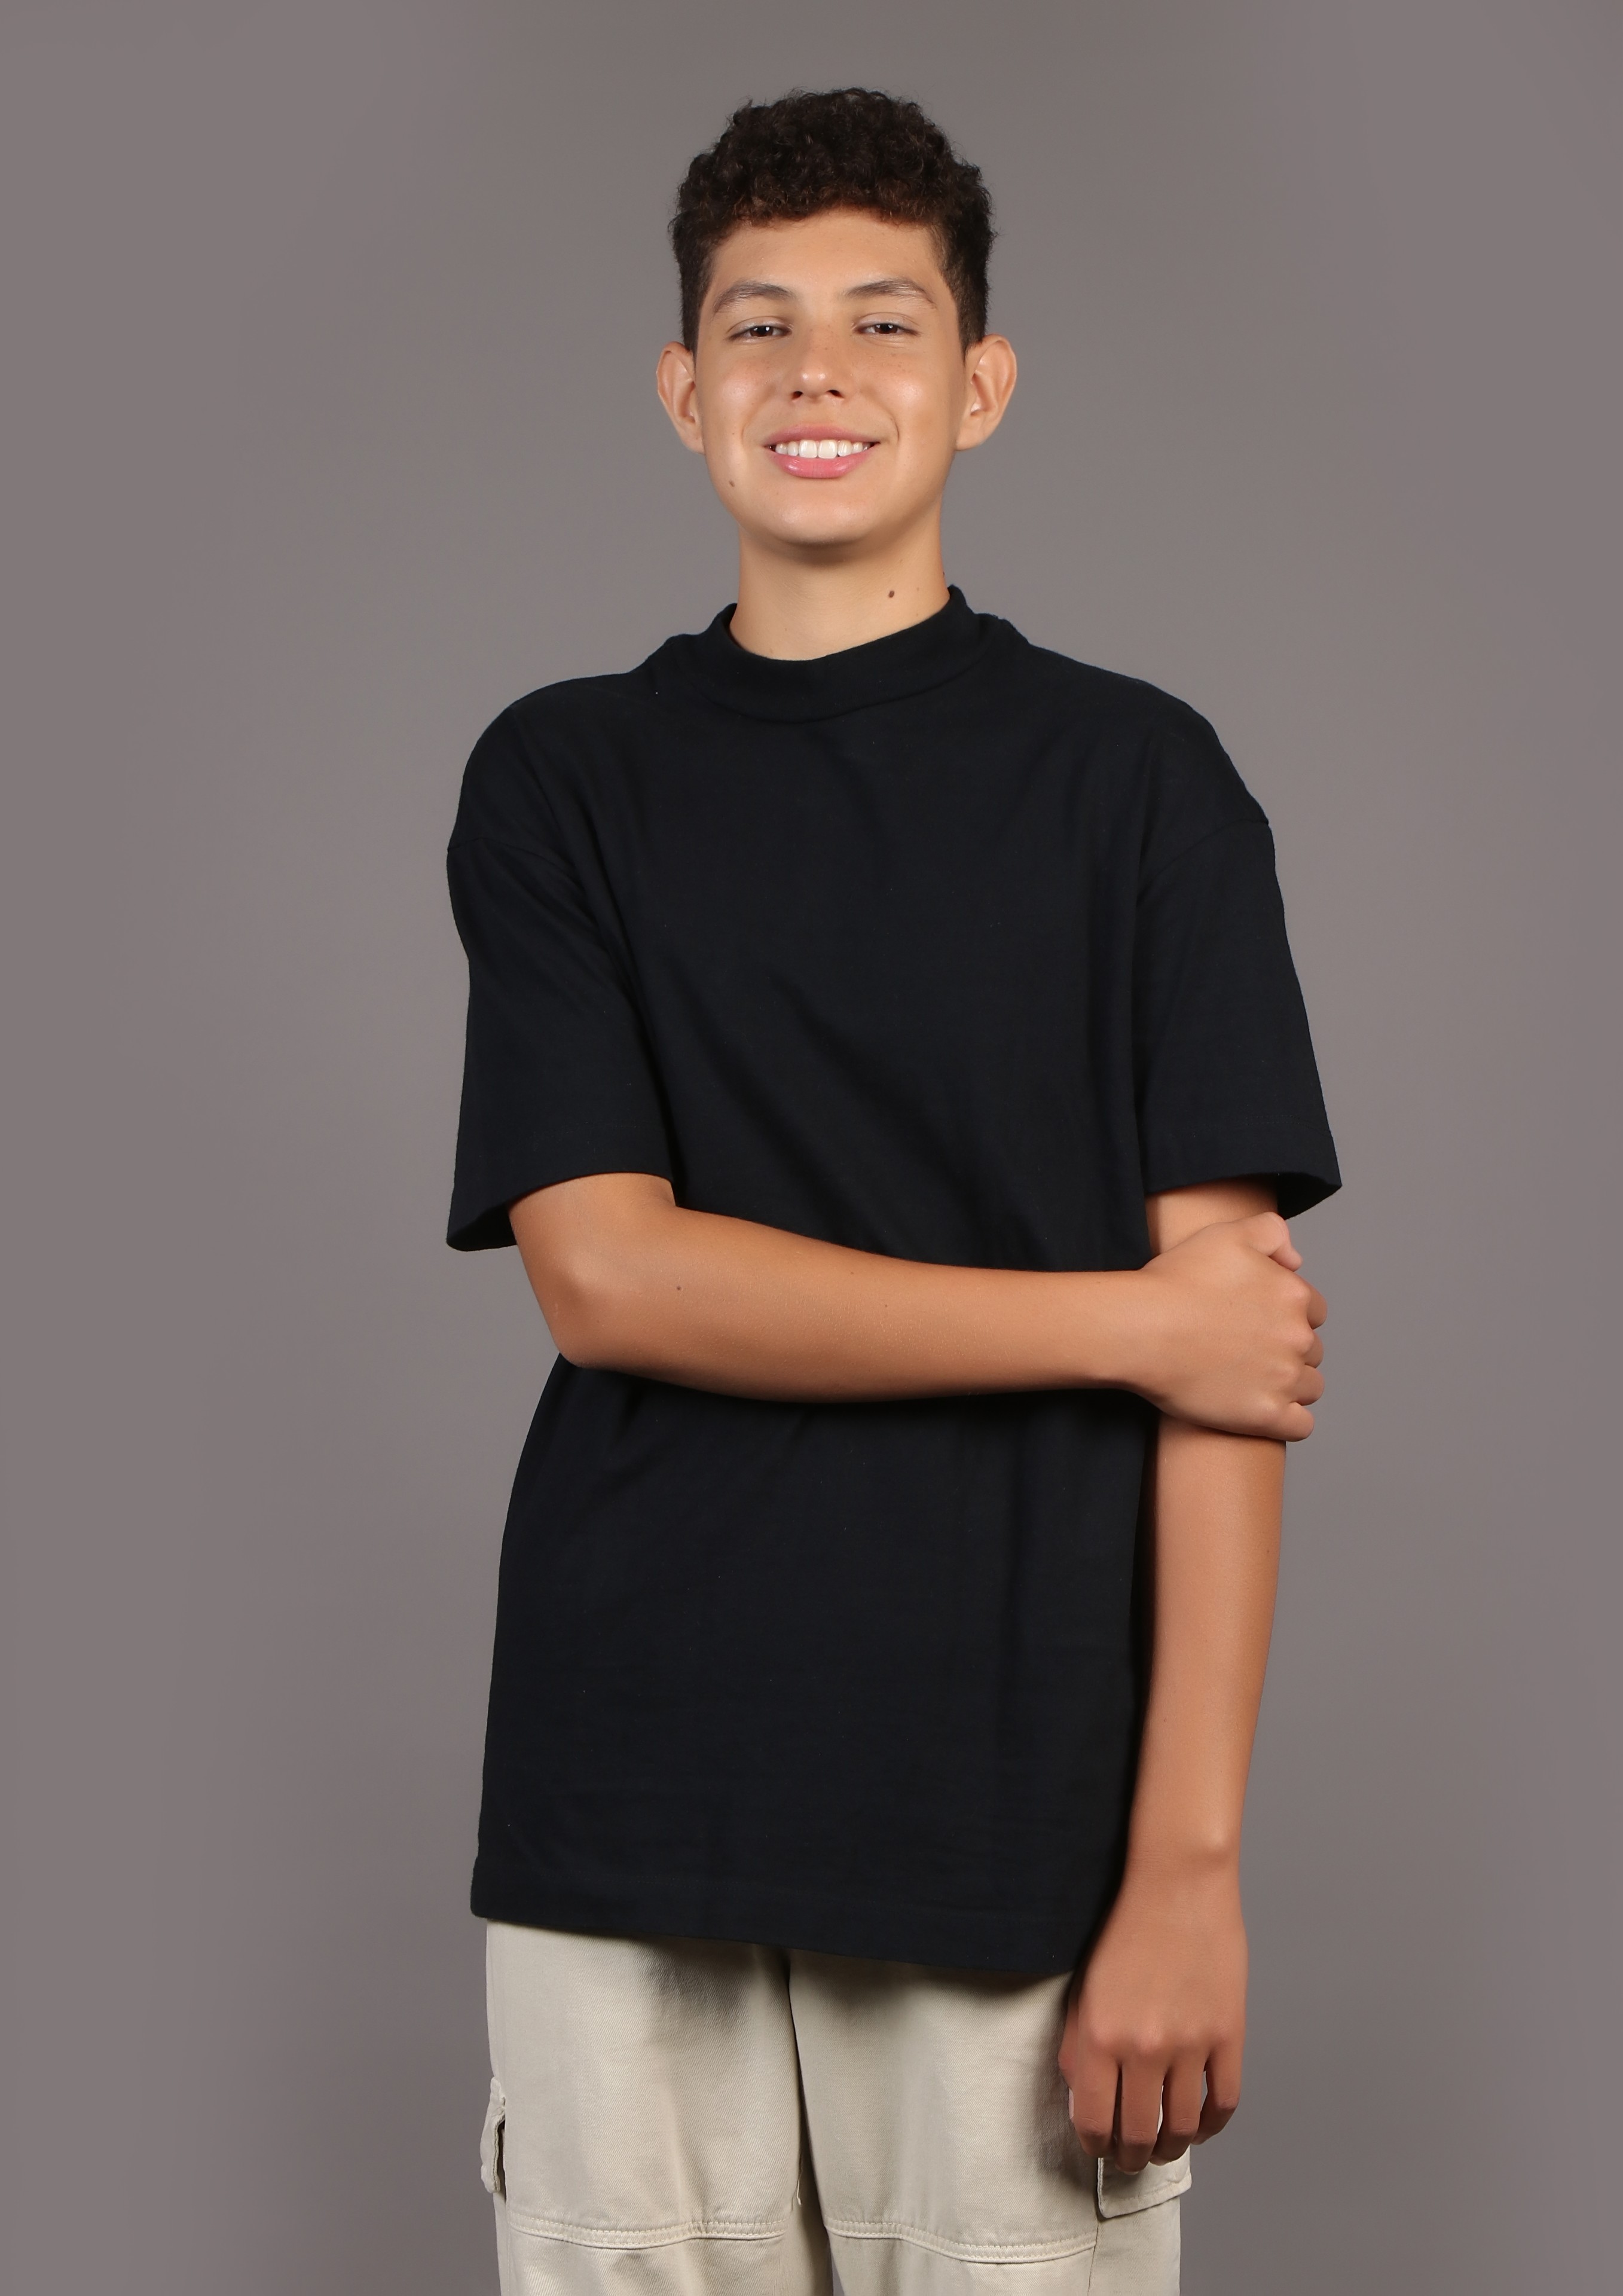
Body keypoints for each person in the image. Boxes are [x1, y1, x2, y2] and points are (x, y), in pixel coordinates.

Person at [447, 86, 1338, 2296]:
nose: (815, 371)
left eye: (881, 319)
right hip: (624, 1791)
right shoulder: (564, 775)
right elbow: (609, 1278)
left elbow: (1236, 1376)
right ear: (685, 391)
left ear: (979, 382)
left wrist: (1188, 1869)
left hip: (1014, 1811)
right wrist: (1118, 1321)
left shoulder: (1140, 783)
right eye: (757, 325)